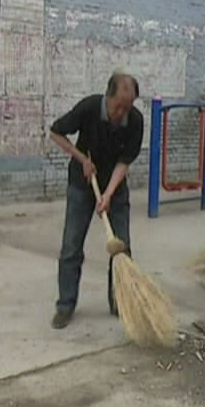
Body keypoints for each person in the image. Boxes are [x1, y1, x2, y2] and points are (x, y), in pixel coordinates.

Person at [48, 72, 144, 329]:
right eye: (118, 105)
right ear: (108, 96)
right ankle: (66, 304)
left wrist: (109, 194)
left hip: (115, 186)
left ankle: (118, 302)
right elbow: (55, 133)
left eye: (128, 106)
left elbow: (124, 162)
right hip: (82, 185)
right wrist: (82, 159)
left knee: (121, 248)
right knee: (71, 245)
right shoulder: (89, 108)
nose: (122, 111)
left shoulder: (134, 120)